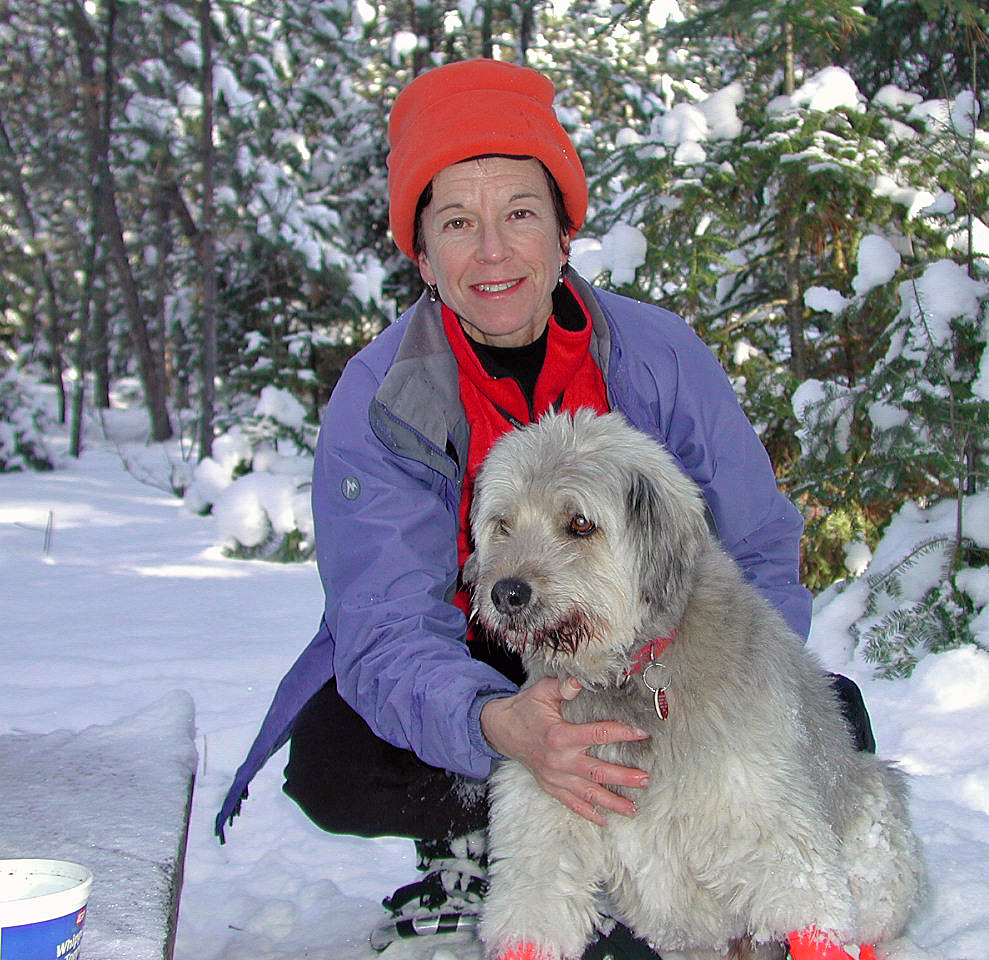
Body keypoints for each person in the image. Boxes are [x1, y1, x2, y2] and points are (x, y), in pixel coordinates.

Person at [216, 58, 874, 960]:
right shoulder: (380, 400)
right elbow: (384, 626)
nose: (492, 252)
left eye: (520, 213)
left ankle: (710, 859)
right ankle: (486, 850)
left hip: (669, 653)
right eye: (457, 222)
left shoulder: (658, 357)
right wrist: (502, 726)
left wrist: (725, 691)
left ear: (565, 234)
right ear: (422, 255)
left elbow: (755, 542)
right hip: (484, 652)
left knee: (829, 716)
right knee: (338, 754)